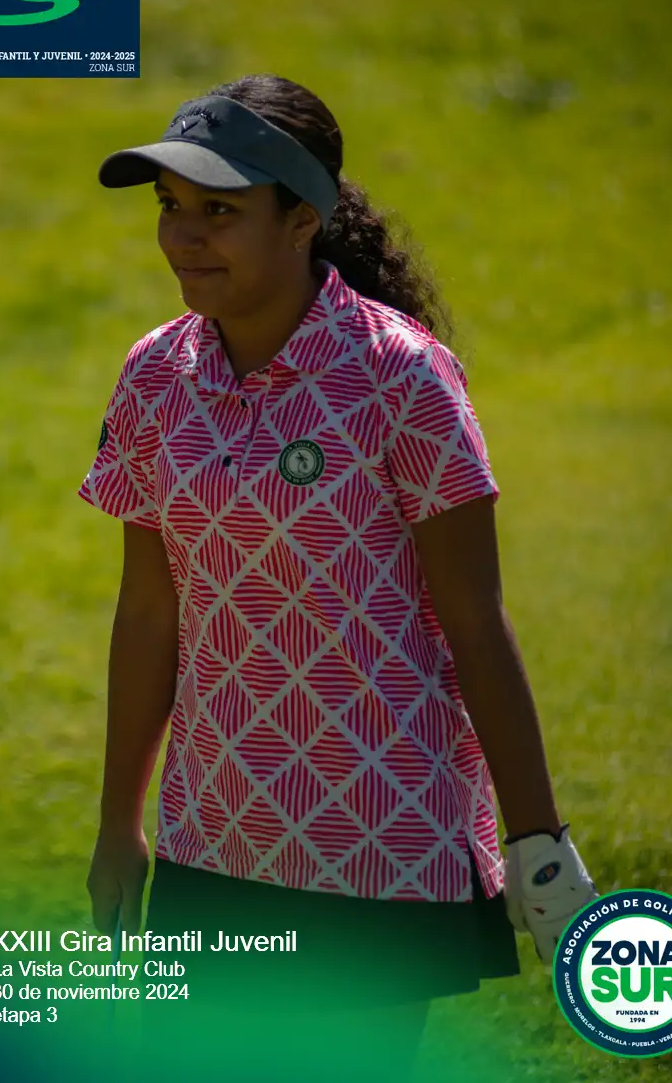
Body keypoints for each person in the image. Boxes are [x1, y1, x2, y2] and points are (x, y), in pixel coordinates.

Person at [79, 73, 597, 1083]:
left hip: (379, 842)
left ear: (302, 220)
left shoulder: (403, 377)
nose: (183, 237)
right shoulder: (153, 375)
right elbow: (148, 614)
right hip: (212, 835)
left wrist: (538, 840)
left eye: (219, 212)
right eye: (171, 208)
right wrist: (117, 826)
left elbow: (474, 620)